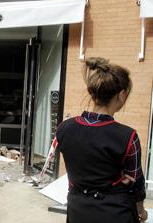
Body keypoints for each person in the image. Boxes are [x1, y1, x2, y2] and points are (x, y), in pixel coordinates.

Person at [56, 57, 147, 223]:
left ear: (92, 93)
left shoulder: (64, 128)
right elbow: (136, 183)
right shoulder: (127, 136)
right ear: (122, 95)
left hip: (78, 210)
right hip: (116, 212)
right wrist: (141, 209)